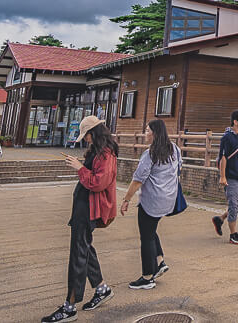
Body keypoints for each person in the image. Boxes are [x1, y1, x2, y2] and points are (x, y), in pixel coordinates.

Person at [40, 116, 117, 322]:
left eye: (87, 135)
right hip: (84, 207)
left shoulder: (106, 154)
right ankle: (101, 287)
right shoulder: (98, 152)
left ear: (94, 133)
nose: (86, 140)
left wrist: (79, 168)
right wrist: (81, 167)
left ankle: (70, 306)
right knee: (84, 248)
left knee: (78, 254)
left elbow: (99, 182)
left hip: (89, 209)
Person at [120, 120, 179, 289]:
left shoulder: (150, 154)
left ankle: (147, 278)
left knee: (146, 237)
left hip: (151, 200)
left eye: (147, 131)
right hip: (168, 199)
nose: (145, 133)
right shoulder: (175, 149)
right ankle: (160, 262)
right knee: (150, 229)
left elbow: (138, 180)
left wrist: (126, 199)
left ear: (155, 133)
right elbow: (178, 169)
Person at [212, 110, 238, 245]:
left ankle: (220, 219)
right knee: (234, 204)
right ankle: (233, 235)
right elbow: (223, 157)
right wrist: (223, 176)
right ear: (235, 122)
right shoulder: (227, 138)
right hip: (231, 176)